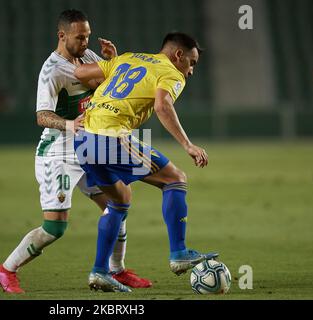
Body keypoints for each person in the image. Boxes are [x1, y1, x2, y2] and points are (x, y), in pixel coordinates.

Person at [0, 9, 151, 294]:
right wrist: (68, 124)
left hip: (87, 147)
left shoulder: (88, 58)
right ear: (62, 35)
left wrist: (112, 61)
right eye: (80, 37)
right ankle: (5, 270)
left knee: (117, 204)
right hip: (59, 153)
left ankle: (117, 270)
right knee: (55, 228)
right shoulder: (52, 70)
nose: (85, 42)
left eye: (88, 36)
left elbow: (111, 86)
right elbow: (42, 116)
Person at [73, 32, 219, 292]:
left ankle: (99, 272)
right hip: (111, 137)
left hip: (82, 139)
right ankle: (179, 253)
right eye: (192, 63)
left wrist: (113, 66)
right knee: (175, 178)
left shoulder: (126, 59)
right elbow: (163, 106)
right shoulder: (171, 72)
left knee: (119, 201)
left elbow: (81, 73)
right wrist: (188, 145)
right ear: (178, 55)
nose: (191, 71)